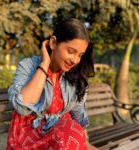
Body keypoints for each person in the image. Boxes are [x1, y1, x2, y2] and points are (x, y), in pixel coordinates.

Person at [6, 18, 98, 150]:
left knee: (68, 134)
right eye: (71, 51)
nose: (75, 60)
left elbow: (78, 113)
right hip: (29, 137)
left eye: (80, 55)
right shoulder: (28, 66)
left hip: (64, 138)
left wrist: (85, 144)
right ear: (53, 43)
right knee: (67, 134)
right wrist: (44, 64)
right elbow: (23, 107)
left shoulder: (75, 75)